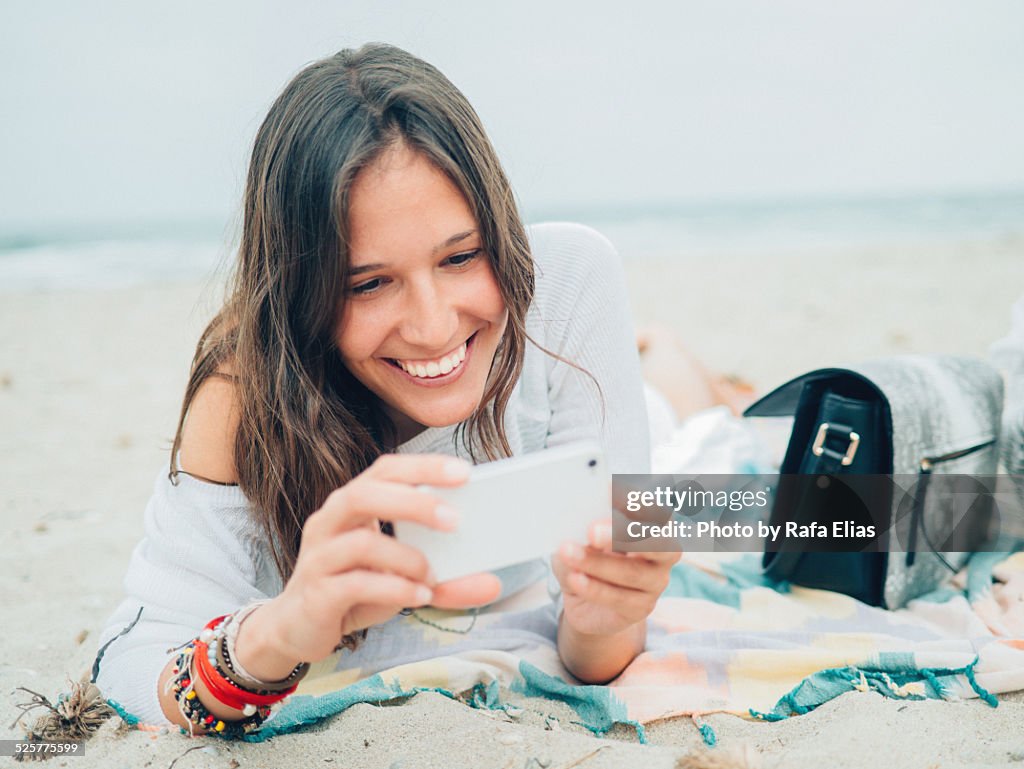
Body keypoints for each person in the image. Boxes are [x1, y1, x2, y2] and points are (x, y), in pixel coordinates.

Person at [95, 43, 681, 736]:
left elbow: (598, 646)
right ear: (299, 292)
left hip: (636, 419)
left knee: (699, 432)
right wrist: (274, 637)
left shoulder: (569, 279)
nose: (434, 327)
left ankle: (669, 357)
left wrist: (604, 621)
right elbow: (129, 660)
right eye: (368, 283)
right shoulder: (243, 392)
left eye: (462, 256)